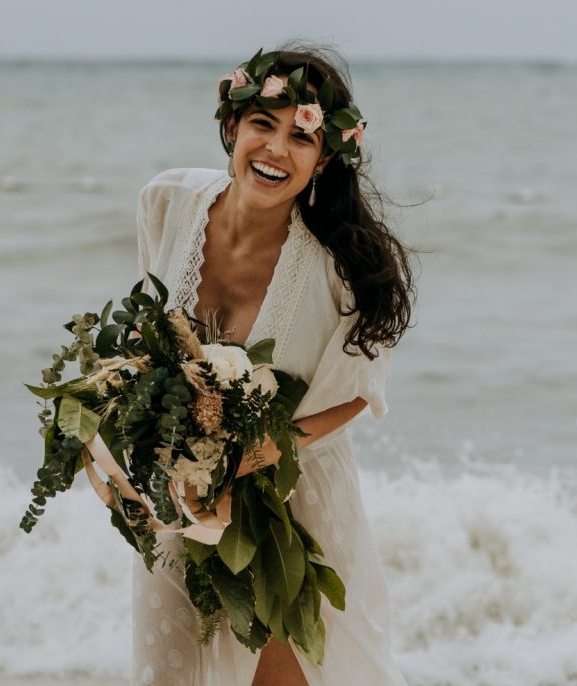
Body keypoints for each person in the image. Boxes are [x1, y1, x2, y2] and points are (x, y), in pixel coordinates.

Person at [132, 43, 414, 686]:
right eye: (264, 123)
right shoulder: (166, 202)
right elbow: (153, 339)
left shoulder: (342, 272)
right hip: (182, 498)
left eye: (301, 137)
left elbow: (361, 394)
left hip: (293, 505)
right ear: (232, 126)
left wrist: (265, 444)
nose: (277, 150)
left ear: (324, 161)